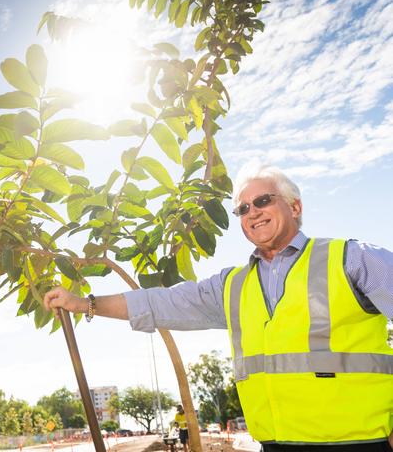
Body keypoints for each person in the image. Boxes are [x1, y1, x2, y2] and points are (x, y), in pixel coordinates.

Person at [44, 165, 393, 451]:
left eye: (263, 200)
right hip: (275, 445)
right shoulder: (233, 285)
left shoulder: (350, 259)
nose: (252, 212)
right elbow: (163, 301)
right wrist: (86, 303)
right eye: (243, 209)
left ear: (295, 207)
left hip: (357, 443)